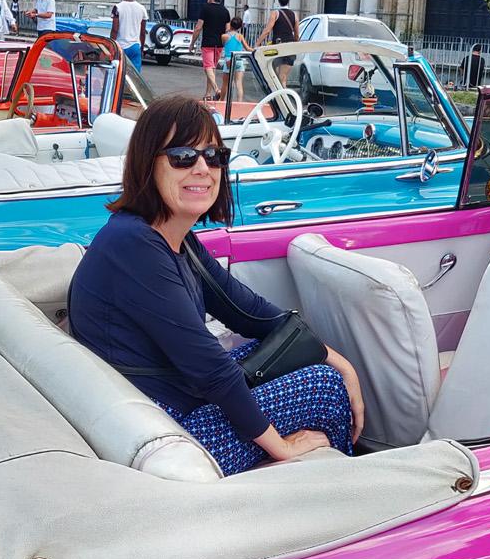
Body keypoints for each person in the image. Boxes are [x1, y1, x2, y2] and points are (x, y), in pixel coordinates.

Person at [68, 96, 364, 475]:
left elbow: (252, 314)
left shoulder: (175, 240)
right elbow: (211, 370)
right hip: (167, 436)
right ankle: (348, 494)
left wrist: (341, 362)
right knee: (321, 386)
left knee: (307, 360)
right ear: (147, 165)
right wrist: (284, 447)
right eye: (182, 157)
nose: (202, 168)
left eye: (213, 157)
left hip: (177, 402)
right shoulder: (134, 246)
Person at [191, 0, 231, 102]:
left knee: (208, 67)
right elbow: (227, 30)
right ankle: (208, 94)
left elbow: (198, 28)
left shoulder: (205, 8)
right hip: (219, 45)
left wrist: (192, 43)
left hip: (207, 43)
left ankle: (216, 89)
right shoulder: (225, 11)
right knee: (211, 69)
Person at [110, 0, 148, 70]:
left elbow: (115, 30)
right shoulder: (142, 9)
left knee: (120, 75)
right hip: (135, 47)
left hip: (120, 47)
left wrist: (111, 46)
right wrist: (141, 48)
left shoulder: (117, 8)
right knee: (135, 76)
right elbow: (142, 32)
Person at [221, 16, 251, 106]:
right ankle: (239, 103)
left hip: (228, 60)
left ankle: (222, 101)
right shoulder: (240, 36)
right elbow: (248, 48)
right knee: (239, 82)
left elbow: (223, 45)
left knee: (225, 83)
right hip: (238, 59)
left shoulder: (224, 36)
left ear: (230, 24)